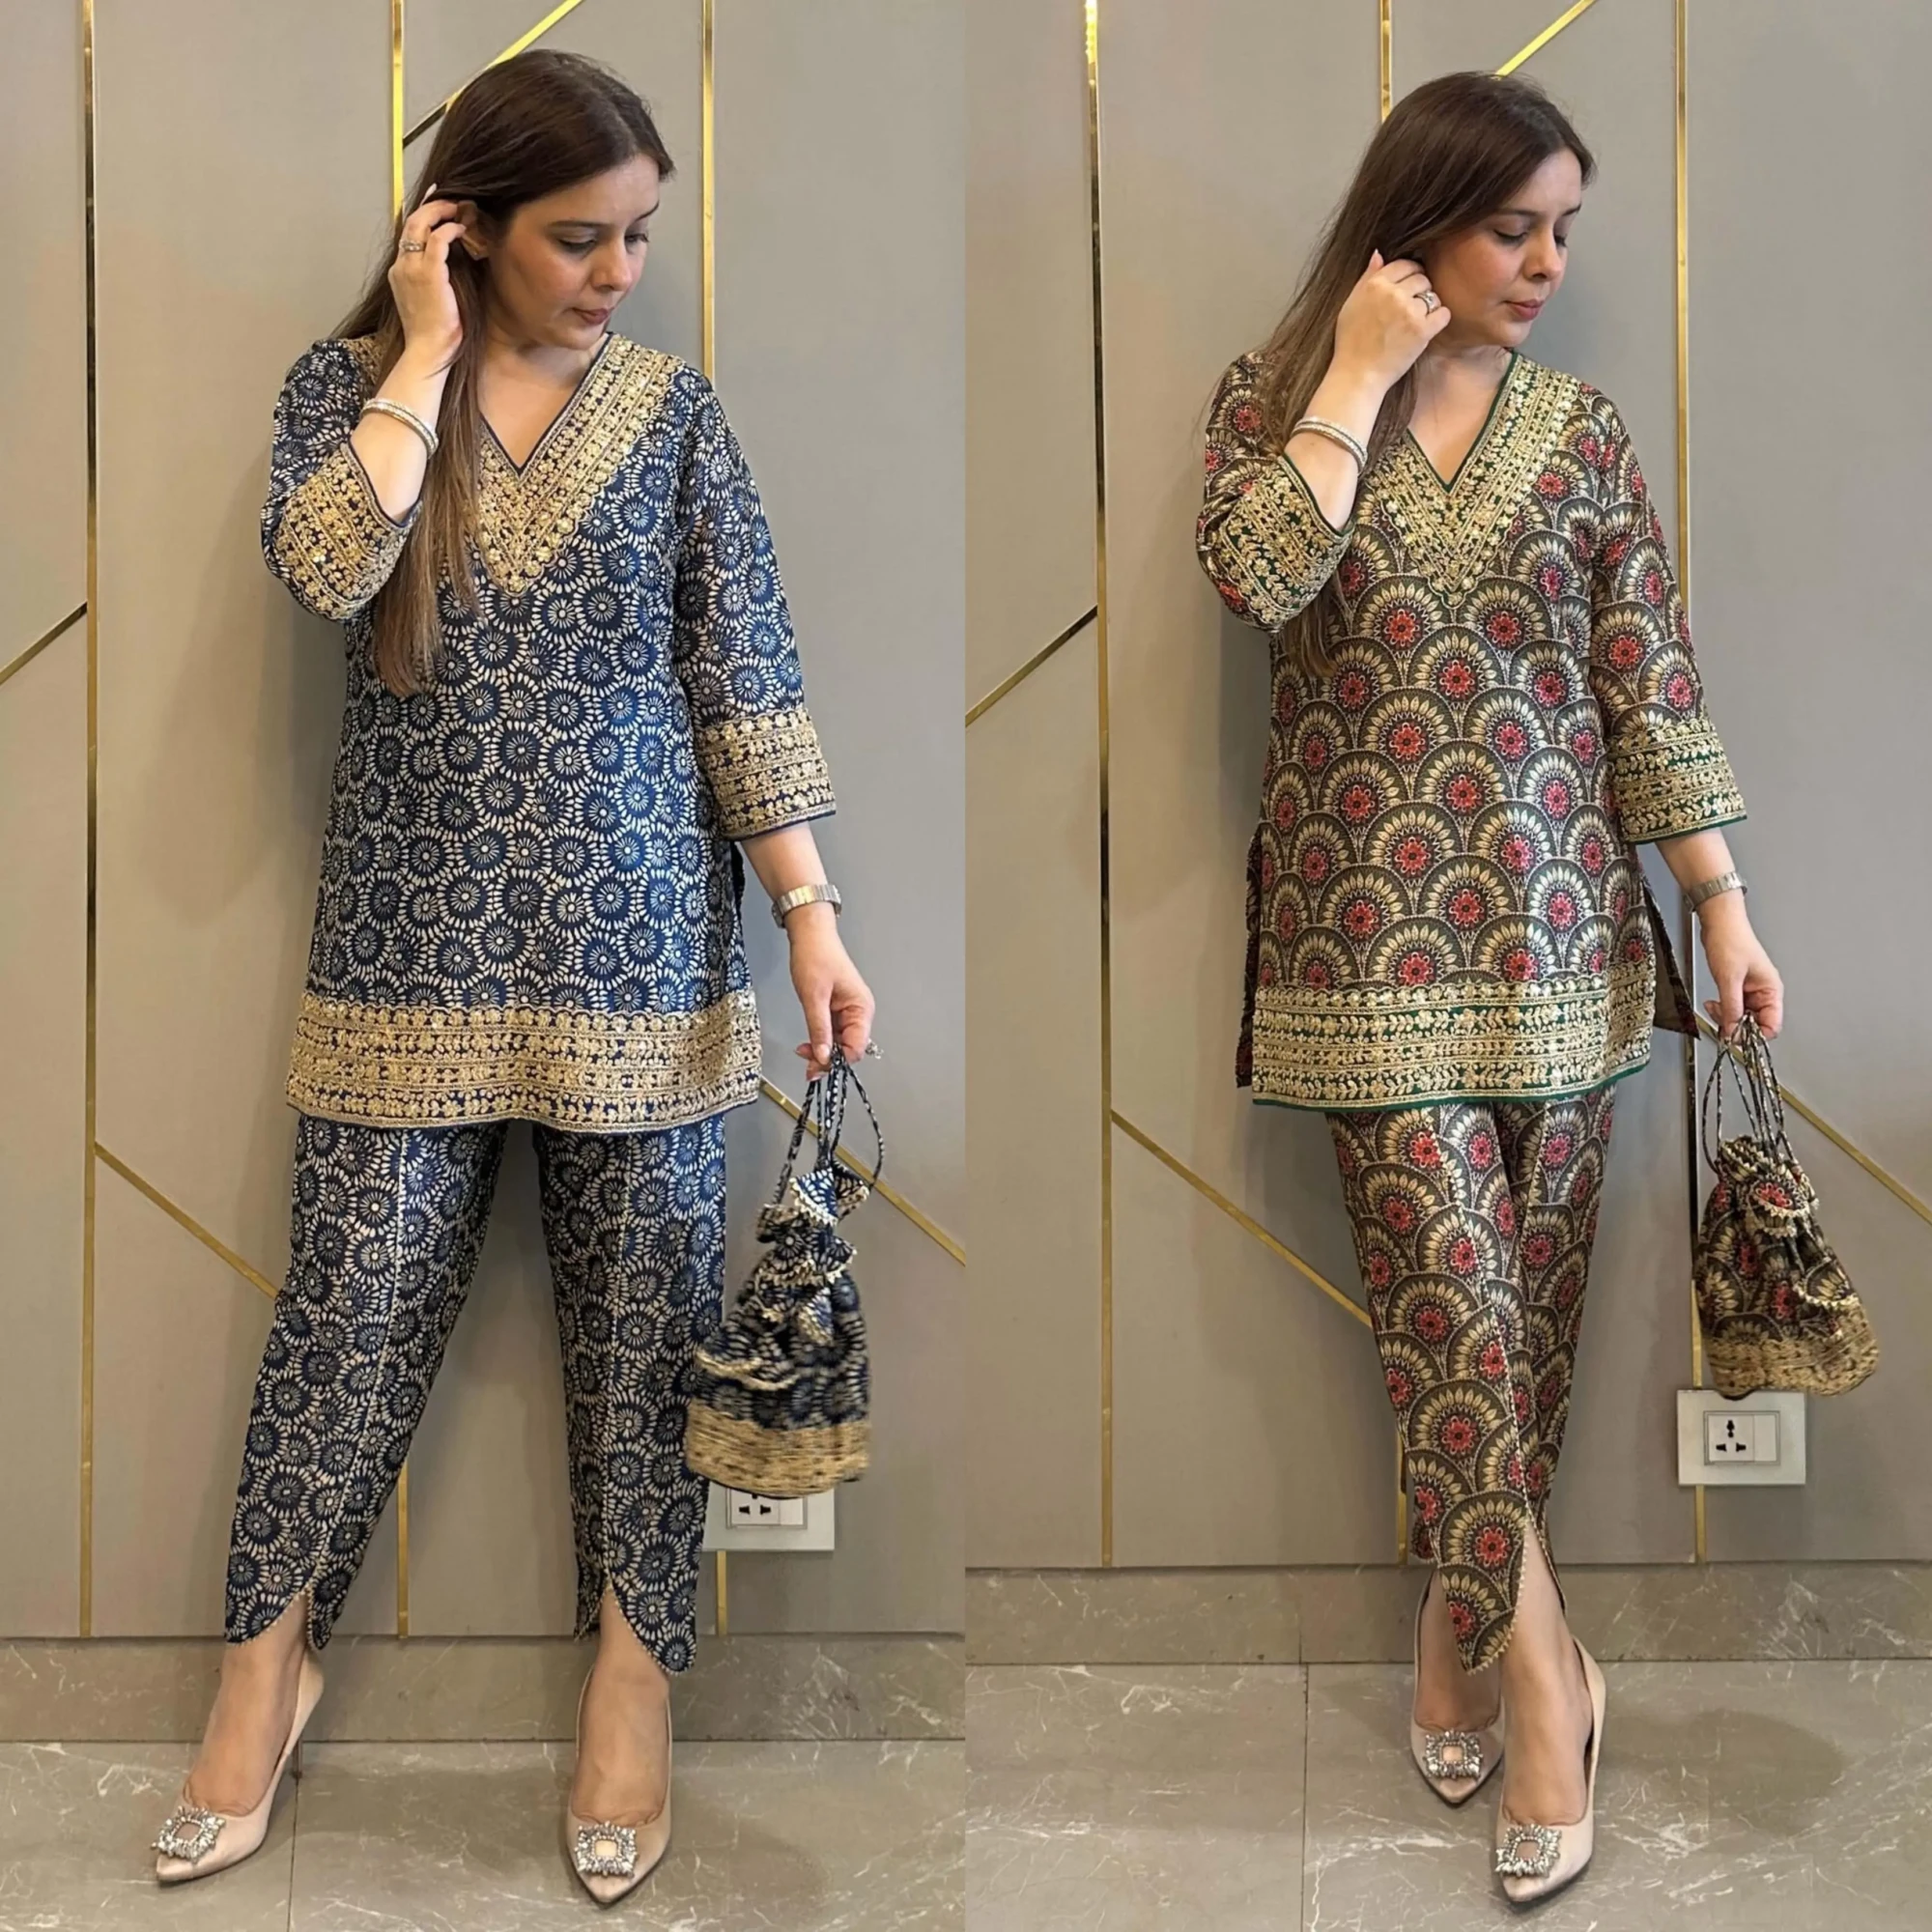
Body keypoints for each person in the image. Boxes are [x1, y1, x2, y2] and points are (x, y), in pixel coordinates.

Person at [149, 48, 875, 1906]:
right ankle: (262, 1672)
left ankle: (631, 1687)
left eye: (639, 235)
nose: (620, 271)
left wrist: (810, 912)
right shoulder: (347, 394)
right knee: (346, 1316)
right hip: (402, 955)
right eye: (578, 238)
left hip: (644, 959)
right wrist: (420, 352)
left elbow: (743, 672)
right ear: (465, 229)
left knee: (644, 1343)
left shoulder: (677, 416)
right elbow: (325, 571)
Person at [1195, 71, 1781, 1905]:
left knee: (1519, 1332)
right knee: (1446, 1305)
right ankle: (1547, 1683)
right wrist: (1357, 380)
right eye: (1511, 226)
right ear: (1418, 219)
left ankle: (1457, 1632)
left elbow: (1648, 685)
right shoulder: (1272, 404)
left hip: (1568, 946)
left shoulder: (1583, 435)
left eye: (1564, 233)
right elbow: (1252, 579)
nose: (1543, 264)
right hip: (1360, 954)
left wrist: (1722, 909)